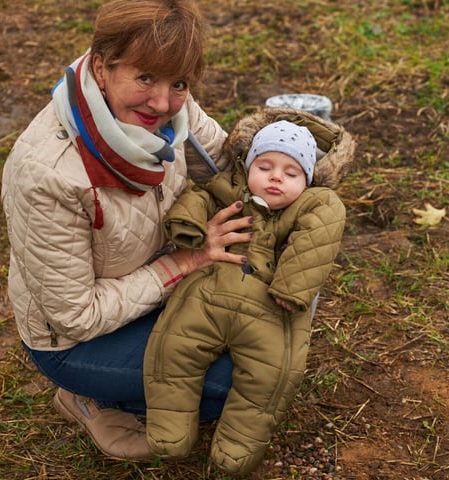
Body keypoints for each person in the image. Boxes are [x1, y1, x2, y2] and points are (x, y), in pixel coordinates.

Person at [0, 0, 252, 461]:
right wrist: (187, 262)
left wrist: (288, 158)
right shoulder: (47, 173)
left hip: (155, 288)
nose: (162, 102)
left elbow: (223, 166)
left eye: (179, 83)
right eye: (145, 79)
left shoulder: (172, 110)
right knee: (237, 381)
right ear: (101, 67)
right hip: (75, 339)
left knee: (269, 338)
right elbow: (76, 316)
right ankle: (90, 398)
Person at [143, 113, 354, 476]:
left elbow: (320, 235)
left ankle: (236, 448)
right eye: (265, 165)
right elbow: (197, 197)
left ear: (308, 180)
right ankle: (169, 431)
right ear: (247, 165)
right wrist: (189, 226)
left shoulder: (313, 204)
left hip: (272, 306)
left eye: (291, 173)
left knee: (269, 378)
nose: (276, 177)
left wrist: (292, 287)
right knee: (172, 349)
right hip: (208, 294)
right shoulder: (226, 190)